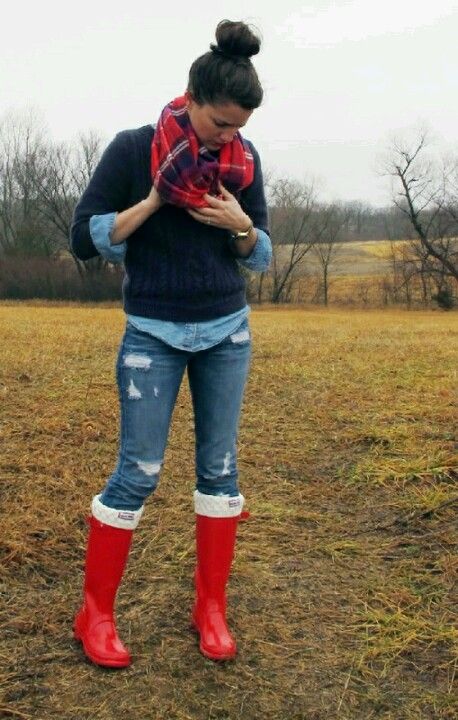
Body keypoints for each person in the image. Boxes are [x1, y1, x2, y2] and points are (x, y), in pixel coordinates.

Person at [70, 19, 271, 667]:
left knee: (220, 471)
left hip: (225, 333)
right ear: (189, 98)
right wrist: (156, 199)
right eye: (220, 123)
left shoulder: (243, 162)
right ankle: (94, 615)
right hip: (151, 336)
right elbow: (84, 237)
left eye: (239, 127)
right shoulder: (133, 150)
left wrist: (241, 224)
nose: (228, 137)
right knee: (138, 473)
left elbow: (260, 255)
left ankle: (210, 608)